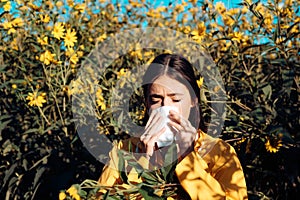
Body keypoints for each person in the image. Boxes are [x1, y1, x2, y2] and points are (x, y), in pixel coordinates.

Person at [99, 53, 248, 199]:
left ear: (193, 101)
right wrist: (146, 164)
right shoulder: (123, 152)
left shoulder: (219, 152)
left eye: (175, 99)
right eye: (156, 100)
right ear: (147, 103)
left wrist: (188, 156)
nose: (166, 107)